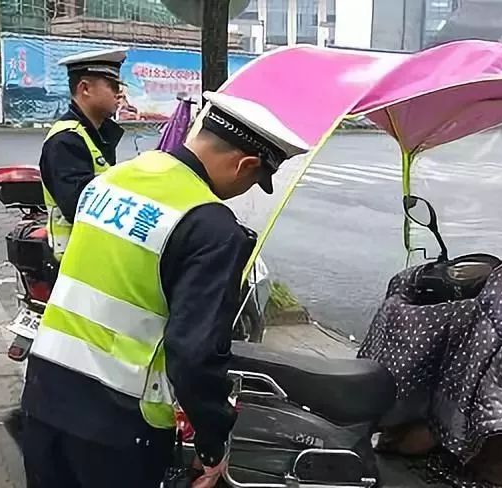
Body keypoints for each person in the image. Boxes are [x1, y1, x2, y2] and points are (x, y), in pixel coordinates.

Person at [20, 91, 310, 488]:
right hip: (118, 426)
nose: (246, 191)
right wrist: (212, 444)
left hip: (43, 393)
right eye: (255, 181)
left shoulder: (115, 178)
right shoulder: (211, 226)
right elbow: (195, 355)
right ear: (246, 164)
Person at [40, 48, 126, 259]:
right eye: (113, 86)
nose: (121, 94)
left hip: (93, 255)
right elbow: (79, 205)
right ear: (85, 88)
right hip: (74, 262)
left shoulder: (95, 133)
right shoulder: (66, 140)